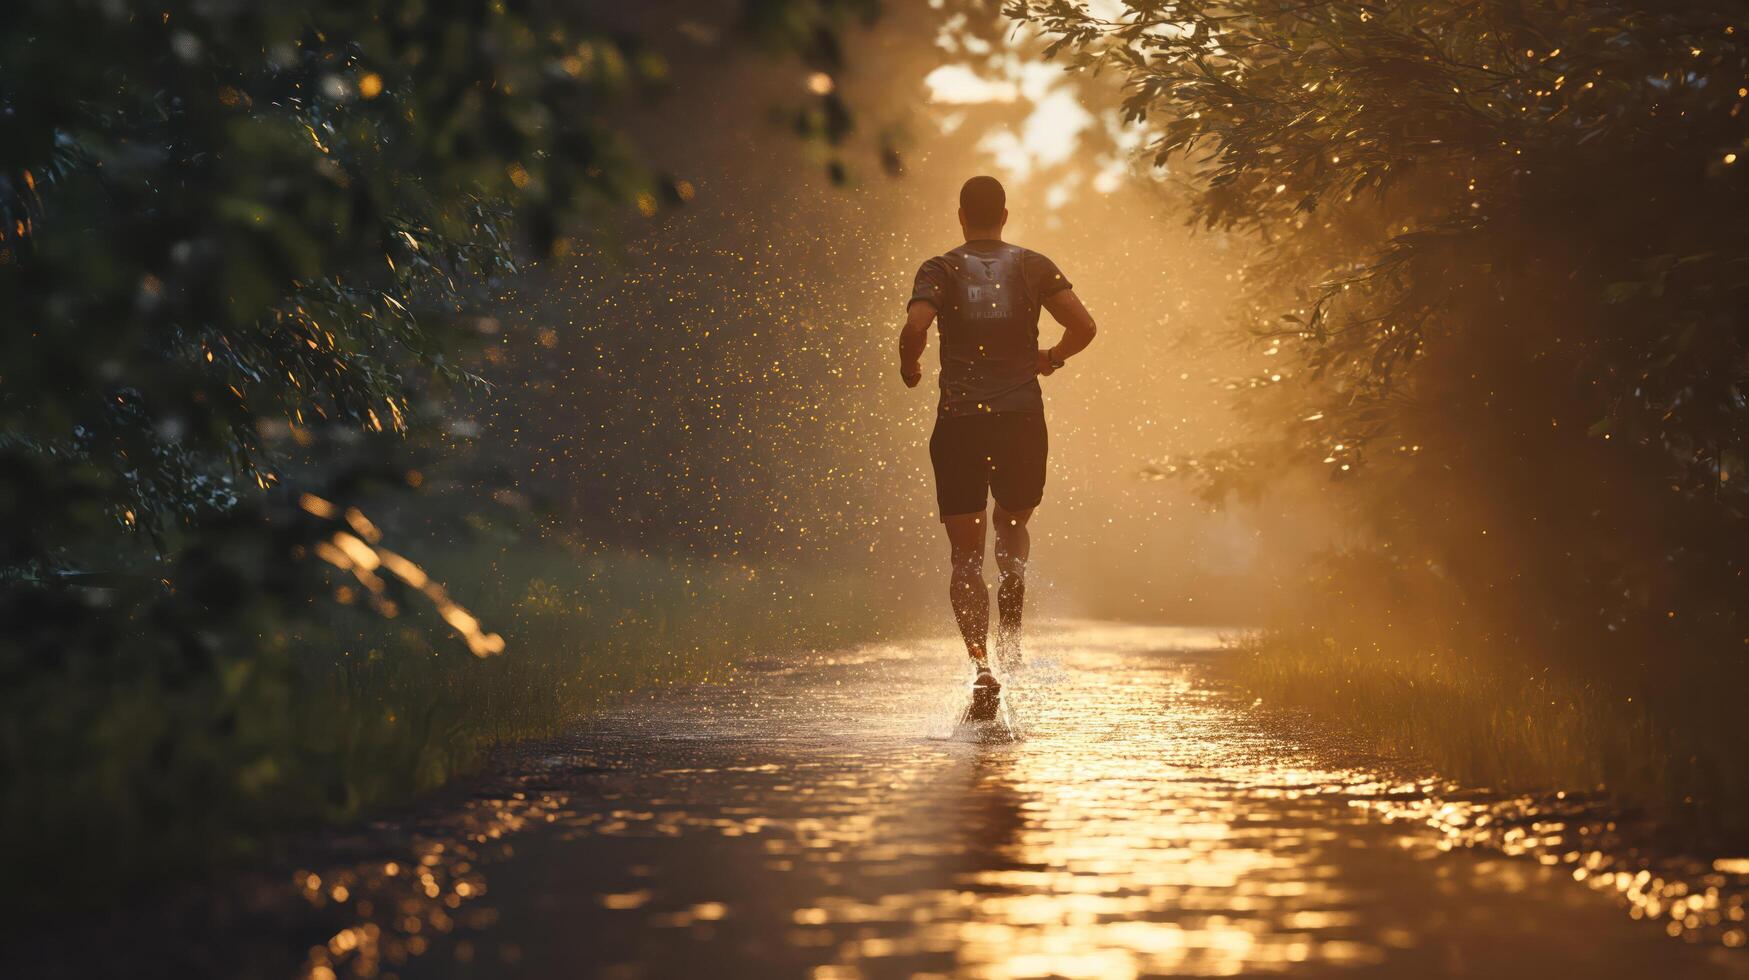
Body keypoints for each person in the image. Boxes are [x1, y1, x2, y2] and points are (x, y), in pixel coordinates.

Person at [898, 175, 1098, 702]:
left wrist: (909, 365)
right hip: (1020, 420)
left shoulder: (939, 268)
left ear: (961, 216)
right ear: (1005, 215)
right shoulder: (1033, 265)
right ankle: (1011, 606)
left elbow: (916, 325)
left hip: (960, 422)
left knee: (965, 557)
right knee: (1011, 526)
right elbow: (1085, 326)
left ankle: (982, 668)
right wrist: (1051, 358)